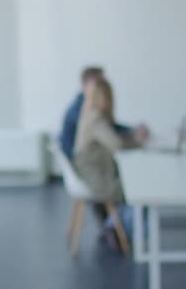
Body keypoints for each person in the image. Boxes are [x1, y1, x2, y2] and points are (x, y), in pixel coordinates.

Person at [72, 78, 147, 247]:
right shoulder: (95, 118)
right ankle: (115, 229)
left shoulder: (93, 114)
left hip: (94, 170)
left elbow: (114, 135)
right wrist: (138, 142)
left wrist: (133, 135)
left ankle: (114, 226)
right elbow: (116, 144)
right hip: (94, 174)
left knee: (134, 189)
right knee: (137, 193)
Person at [60, 67, 139, 160]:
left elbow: (107, 127)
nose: (105, 83)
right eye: (100, 80)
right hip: (83, 161)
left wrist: (132, 130)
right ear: (89, 84)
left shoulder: (87, 108)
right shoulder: (81, 110)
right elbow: (105, 130)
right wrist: (136, 137)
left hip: (86, 160)